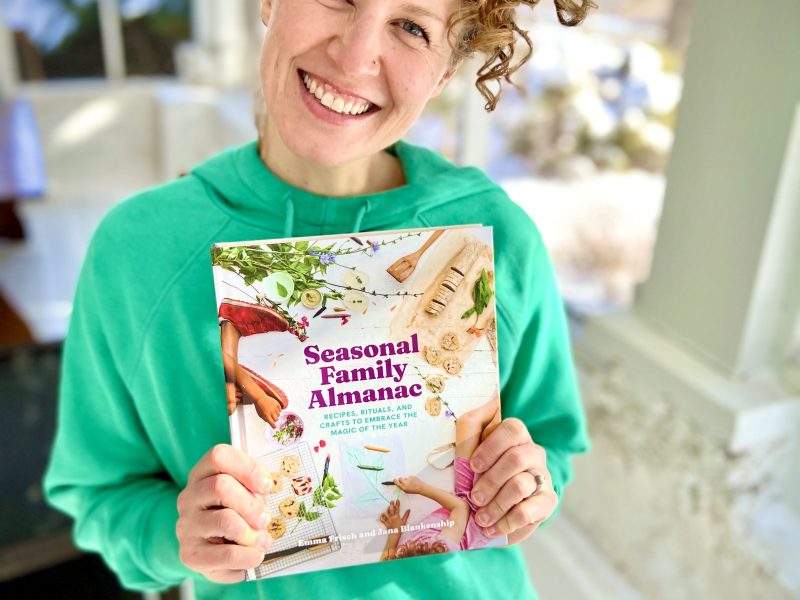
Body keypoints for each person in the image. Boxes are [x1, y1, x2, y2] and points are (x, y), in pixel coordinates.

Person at [43, 0, 594, 598]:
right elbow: (99, 493)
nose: (355, 57)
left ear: (444, 72)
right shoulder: (139, 251)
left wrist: (525, 487)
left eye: (412, 27)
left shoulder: (496, 240)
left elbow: (552, 445)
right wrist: (173, 534)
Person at [379, 395, 507, 559]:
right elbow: (461, 508)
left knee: (479, 431)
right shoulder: (442, 549)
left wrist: (394, 531)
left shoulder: (396, 562)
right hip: (474, 513)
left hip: (461, 510)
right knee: (472, 425)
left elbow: (386, 559)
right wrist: (420, 488)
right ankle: (506, 397)